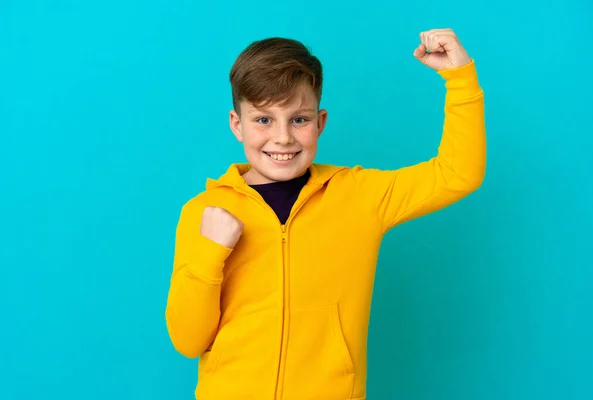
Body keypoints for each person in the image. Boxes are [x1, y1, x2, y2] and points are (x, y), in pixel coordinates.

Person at [165, 28, 485, 400]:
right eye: (264, 120)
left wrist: (460, 78)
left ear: (320, 122)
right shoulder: (204, 212)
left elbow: (457, 173)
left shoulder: (359, 195)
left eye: (298, 119)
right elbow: (188, 341)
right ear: (237, 124)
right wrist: (210, 255)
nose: (283, 138)